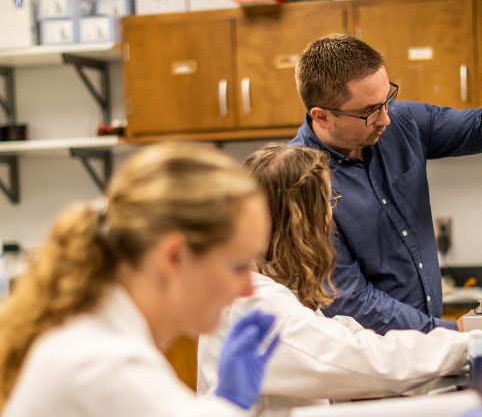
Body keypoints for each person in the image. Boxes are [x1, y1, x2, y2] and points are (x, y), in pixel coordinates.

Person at [0, 143, 279, 417]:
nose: (247, 288)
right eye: (239, 265)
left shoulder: (100, 337)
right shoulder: (109, 364)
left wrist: (228, 403)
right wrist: (230, 404)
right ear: (174, 257)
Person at [198, 143, 471, 417]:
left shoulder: (269, 285)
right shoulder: (257, 302)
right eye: (327, 201)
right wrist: (468, 345)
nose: (331, 216)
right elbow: (360, 362)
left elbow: (334, 342)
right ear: (300, 219)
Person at [288, 33, 482, 334]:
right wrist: (446, 333)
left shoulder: (403, 122)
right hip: (376, 361)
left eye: (386, 99)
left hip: (431, 344)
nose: (385, 119)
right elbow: (350, 299)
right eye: (368, 112)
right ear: (321, 116)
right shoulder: (300, 184)